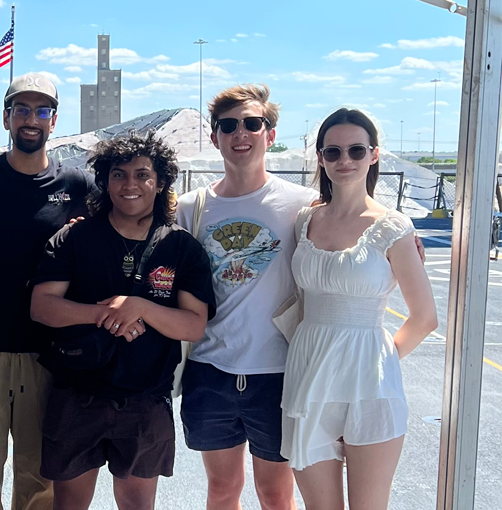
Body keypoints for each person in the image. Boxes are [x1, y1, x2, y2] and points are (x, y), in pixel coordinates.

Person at [30, 132, 216, 510]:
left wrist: (141, 307)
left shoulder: (181, 247)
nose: (130, 185)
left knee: (137, 506)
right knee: (68, 506)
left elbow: (194, 325)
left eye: (142, 175)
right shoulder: (74, 238)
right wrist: (103, 313)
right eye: (119, 174)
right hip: (77, 394)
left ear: (161, 182)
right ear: (105, 180)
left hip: (145, 399)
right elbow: (42, 306)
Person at [0, 73, 91, 510]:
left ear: (55, 119)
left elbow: (124, 225)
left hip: (48, 352)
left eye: (42, 110)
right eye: (22, 109)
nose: (32, 119)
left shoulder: (78, 186)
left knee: (39, 474)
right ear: (6, 117)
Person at [281, 108, 436, 509]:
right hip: (309, 373)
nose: (344, 160)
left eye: (355, 149)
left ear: (374, 155)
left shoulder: (393, 226)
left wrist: (379, 360)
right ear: (319, 158)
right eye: (332, 152)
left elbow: (424, 318)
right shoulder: (304, 221)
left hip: (369, 381)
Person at [176, 84, 317, 510]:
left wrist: (396, 229)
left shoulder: (303, 204)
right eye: (229, 125)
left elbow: (353, 218)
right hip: (210, 369)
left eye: (253, 123)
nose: (241, 132)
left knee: (275, 493)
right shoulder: (190, 207)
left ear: (270, 134)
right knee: (222, 490)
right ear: (215, 136)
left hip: (278, 372)